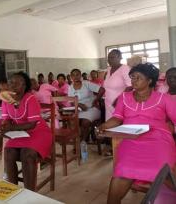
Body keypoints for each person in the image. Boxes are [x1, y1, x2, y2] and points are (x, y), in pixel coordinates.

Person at [99, 63, 176, 204]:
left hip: (159, 139)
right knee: (123, 169)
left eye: (138, 78)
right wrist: (103, 126)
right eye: (132, 77)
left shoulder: (163, 98)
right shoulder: (124, 97)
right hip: (131, 139)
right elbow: (118, 117)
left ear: (150, 81)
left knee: (163, 169)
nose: (133, 80)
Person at [0, 72, 52, 191]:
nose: (12, 85)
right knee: (8, 152)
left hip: (38, 132)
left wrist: (11, 128)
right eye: (10, 82)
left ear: (24, 86)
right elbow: (6, 119)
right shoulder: (6, 99)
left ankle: (30, 192)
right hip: (20, 133)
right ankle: (13, 190)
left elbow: (32, 124)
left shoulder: (30, 98)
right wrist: (4, 126)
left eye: (16, 83)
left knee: (27, 154)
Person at [69, 69, 105, 141]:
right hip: (79, 109)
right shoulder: (70, 87)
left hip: (92, 108)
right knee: (71, 120)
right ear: (71, 77)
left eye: (77, 75)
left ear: (80, 75)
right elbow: (71, 100)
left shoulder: (86, 83)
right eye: (73, 75)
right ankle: (78, 141)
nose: (75, 77)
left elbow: (102, 90)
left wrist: (95, 101)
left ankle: (83, 142)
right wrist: (79, 105)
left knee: (85, 122)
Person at [103, 49, 132, 121]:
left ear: (119, 58)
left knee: (119, 124)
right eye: (108, 58)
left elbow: (130, 86)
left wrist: (119, 99)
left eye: (112, 58)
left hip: (120, 104)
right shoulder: (109, 69)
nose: (109, 60)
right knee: (110, 126)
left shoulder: (125, 69)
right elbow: (105, 86)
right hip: (108, 103)